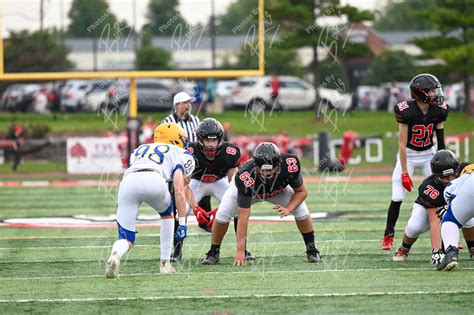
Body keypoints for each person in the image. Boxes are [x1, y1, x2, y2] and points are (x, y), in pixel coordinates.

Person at [201, 142, 322, 266]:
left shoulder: (290, 164)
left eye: (270, 169)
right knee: (222, 214)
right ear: (255, 165)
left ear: (278, 163)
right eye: (262, 169)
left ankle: (312, 250)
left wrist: (289, 208)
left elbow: (302, 192)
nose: (266, 173)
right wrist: (240, 250)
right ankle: (213, 252)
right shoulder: (246, 176)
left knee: (301, 210)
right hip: (252, 192)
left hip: (276, 191)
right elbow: (243, 216)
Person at [105, 122, 195, 277]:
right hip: (154, 178)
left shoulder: (139, 149)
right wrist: (182, 223)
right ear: (174, 139)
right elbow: (179, 187)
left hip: (128, 182)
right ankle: (165, 263)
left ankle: (116, 255)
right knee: (167, 214)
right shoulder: (179, 152)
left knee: (126, 237)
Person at [382, 74, 449, 250]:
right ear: (421, 93)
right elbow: (402, 145)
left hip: (429, 155)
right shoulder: (406, 111)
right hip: (409, 155)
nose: (436, 93)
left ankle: (449, 234)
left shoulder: (438, 110)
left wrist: (441, 165)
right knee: (397, 196)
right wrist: (404, 172)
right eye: (432, 90)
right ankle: (388, 235)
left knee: (443, 194)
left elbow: (441, 143)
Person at [172, 118, 254, 261]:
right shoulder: (189, 151)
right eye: (207, 140)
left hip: (219, 181)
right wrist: (196, 208)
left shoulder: (230, 152)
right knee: (181, 210)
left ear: (220, 139)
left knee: (237, 209)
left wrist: (224, 207)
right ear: (199, 139)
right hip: (196, 182)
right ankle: (177, 251)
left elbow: (233, 182)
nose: (211, 145)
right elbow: (184, 184)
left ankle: (243, 250)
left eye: (214, 140)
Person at [392, 150, 462, 264]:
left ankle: (472, 248)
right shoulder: (429, 186)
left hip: (455, 206)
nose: (449, 179)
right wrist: (436, 250)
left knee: (470, 219)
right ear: (436, 175)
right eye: (445, 177)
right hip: (427, 208)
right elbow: (434, 220)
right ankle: (404, 248)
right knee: (414, 227)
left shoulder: (463, 173)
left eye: (452, 175)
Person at [436, 163, 474, 271]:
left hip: (471, 186)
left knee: (450, 220)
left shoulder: (461, 179)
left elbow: (451, 195)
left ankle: (451, 253)